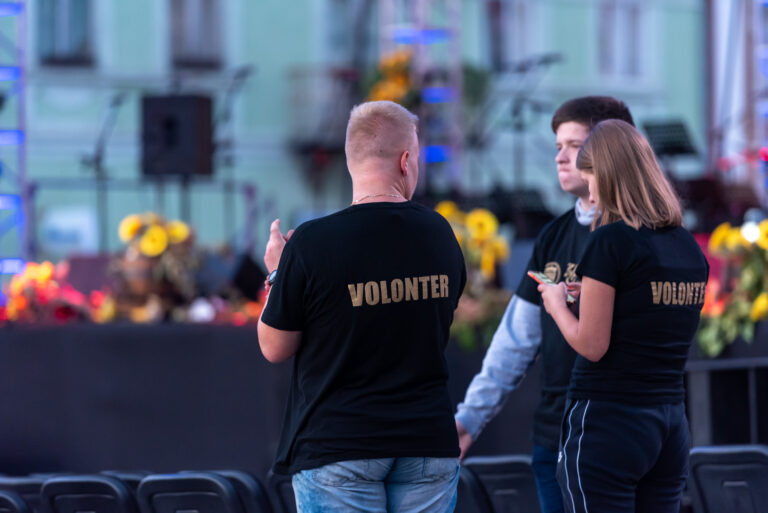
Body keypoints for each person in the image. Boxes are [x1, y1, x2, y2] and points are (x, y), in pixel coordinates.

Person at [257, 100, 467, 513]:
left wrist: (277, 274)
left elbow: (274, 347)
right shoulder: (440, 233)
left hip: (339, 443)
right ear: (406, 160)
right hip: (427, 440)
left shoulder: (312, 243)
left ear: (352, 162)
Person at [454, 97, 634, 513]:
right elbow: (514, 342)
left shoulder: (635, 234)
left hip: (616, 435)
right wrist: (468, 420)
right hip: (554, 435)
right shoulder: (553, 236)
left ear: (609, 149)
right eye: (558, 146)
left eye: (575, 145)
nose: (561, 157)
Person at [537, 119, 709, 512]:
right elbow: (650, 311)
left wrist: (556, 304)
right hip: (669, 424)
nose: (591, 191)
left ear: (609, 174)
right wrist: (600, 294)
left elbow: (592, 346)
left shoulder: (609, 242)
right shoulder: (686, 245)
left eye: (592, 178)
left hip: (609, 421)